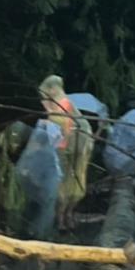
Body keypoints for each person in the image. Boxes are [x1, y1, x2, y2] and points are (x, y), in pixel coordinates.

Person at [39, 75, 92, 231]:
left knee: (64, 184)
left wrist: (47, 120)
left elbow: (59, 130)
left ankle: (62, 218)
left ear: (53, 89)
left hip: (68, 150)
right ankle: (66, 216)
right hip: (74, 149)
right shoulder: (66, 104)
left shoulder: (61, 104)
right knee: (72, 183)